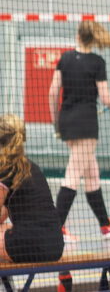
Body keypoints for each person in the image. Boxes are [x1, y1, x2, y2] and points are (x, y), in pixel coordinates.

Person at [48, 20, 110, 240]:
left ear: (78, 35)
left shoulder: (65, 58)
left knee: (92, 175)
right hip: (87, 125)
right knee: (72, 176)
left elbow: (53, 92)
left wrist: (56, 122)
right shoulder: (97, 62)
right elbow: (106, 97)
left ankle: (105, 225)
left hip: (68, 122)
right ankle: (56, 230)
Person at [0, 114, 64, 266]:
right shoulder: (31, 167)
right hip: (55, 246)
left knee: (6, 233)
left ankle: (5, 289)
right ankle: (9, 289)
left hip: (29, 246)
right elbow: (4, 213)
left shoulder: (5, 168)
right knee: (6, 229)